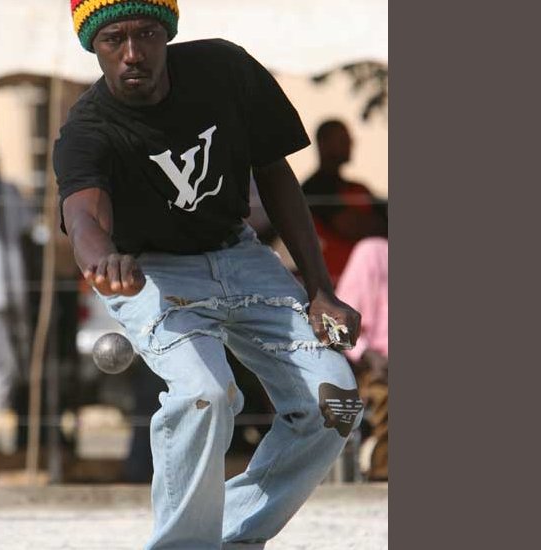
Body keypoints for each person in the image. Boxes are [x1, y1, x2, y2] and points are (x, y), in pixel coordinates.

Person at [54, 2, 363, 548]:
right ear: (93, 46)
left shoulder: (226, 70)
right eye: (113, 39)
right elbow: (83, 217)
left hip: (239, 254)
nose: (132, 53)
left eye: (147, 34)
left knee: (335, 401)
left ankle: (233, 537)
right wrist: (102, 259)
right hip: (150, 271)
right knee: (203, 395)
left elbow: (276, 176)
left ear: (167, 32)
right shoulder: (87, 128)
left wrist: (321, 289)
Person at [0, 143, 33, 455]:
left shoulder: (6, 193)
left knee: (7, 364)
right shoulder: (6, 192)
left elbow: (26, 230)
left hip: (6, 292)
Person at [301, 119, 387, 282]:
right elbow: (350, 226)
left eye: (349, 139)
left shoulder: (358, 188)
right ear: (323, 144)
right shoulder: (314, 188)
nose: (349, 144)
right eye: (342, 139)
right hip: (335, 280)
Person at [335, 237, 389, 480]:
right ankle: (383, 475)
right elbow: (340, 321)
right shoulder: (373, 251)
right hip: (375, 364)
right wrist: (368, 355)